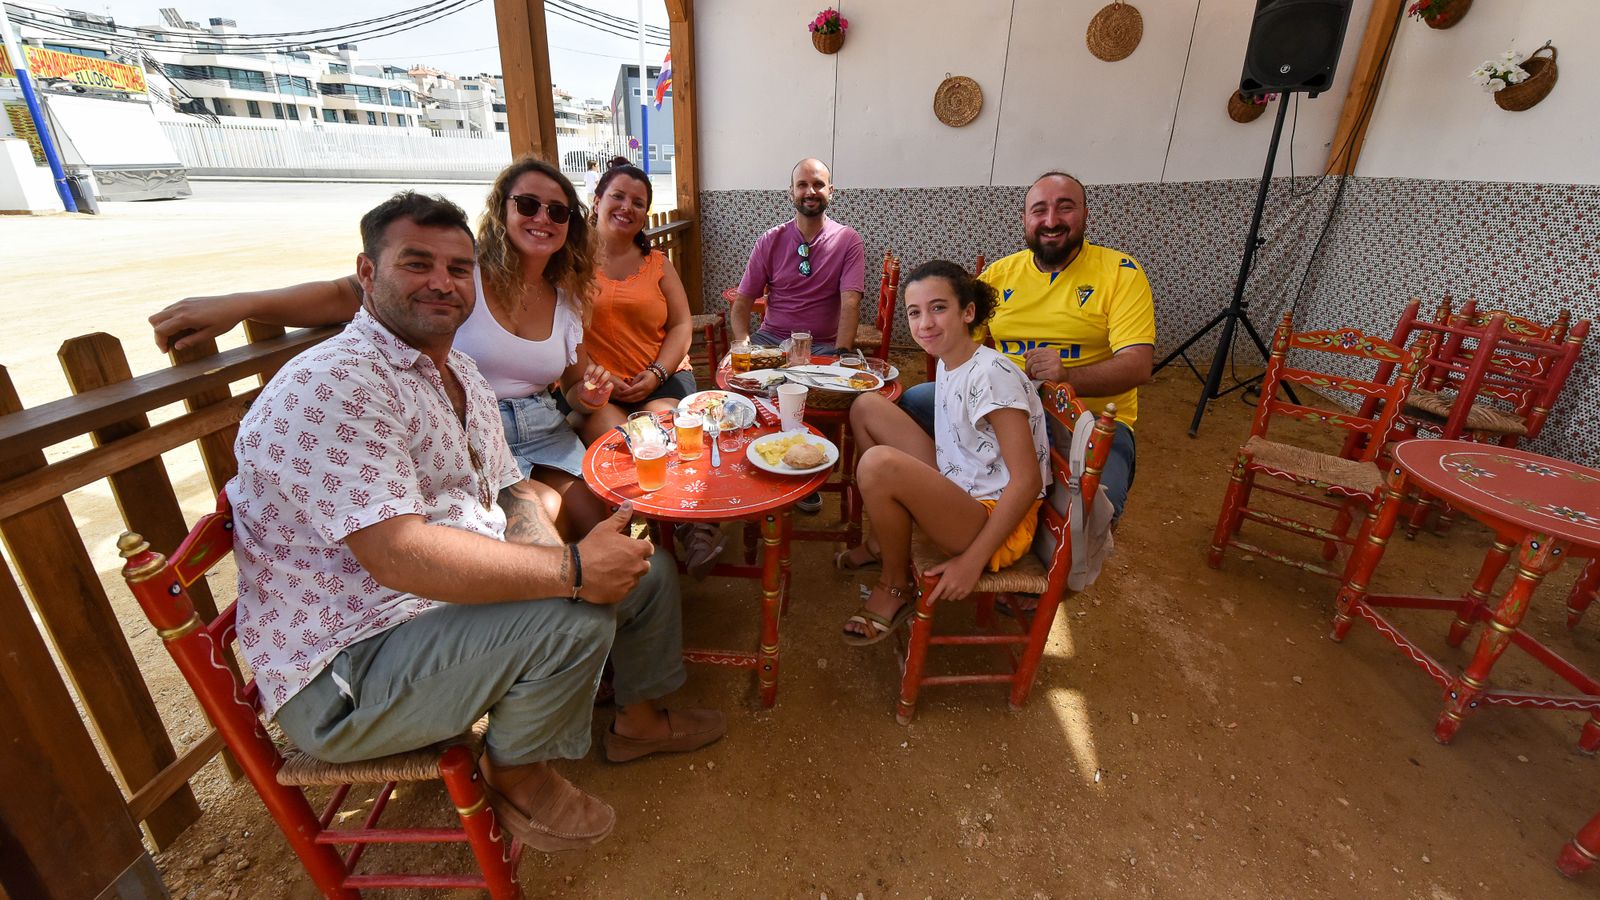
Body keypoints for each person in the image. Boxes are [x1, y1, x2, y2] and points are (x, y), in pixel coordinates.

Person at [234, 192, 725, 853]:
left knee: (647, 567)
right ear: (367, 273)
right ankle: (517, 770)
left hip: (429, 608)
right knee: (573, 613)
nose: (441, 282)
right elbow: (398, 556)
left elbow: (508, 491)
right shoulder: (335, 384)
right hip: (350, 668)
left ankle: (638, 720)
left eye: (458, 268)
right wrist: (568, 574)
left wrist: (561, 569)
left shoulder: (456, 369)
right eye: (417, 263)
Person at [150, 157, 616, 538]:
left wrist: (587, 397)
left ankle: (601, 631)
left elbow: (573, 389)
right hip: (469, 432)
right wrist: (242, 304)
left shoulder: (566, 298)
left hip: (541, 426)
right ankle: (567, 619)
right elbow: (344, 293)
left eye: (558, 211)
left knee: (596, 512)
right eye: (529, 204)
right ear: (502, 210)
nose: (543, 219)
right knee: (547, 516)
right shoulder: (457, 275)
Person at [898, 171, 1152, 519]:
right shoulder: (1000, 275)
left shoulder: (1121, 273)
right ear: (1025, 218)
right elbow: (955, 339)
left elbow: (1138, 365)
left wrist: (1067, 376)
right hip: (1003, 410)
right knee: (913, 400)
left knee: (1094, 514)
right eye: (1039, 210)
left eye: (1065, 208)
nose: (1051, 221)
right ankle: (956, 494)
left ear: (1085, 214)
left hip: (1086, 421)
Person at [834, 260, 1049, 645]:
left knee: (878, 464)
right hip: (961, 481)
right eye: (915, 313)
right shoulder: (953, 362)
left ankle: (896, 586)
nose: (925, 324)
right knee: (866, 407)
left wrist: (973, 562)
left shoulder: (991, 375)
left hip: (993, 520)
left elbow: (1028, 480)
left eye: (938, 308)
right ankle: (887, 538)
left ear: (968, 312)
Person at [576, 158, 725, 576]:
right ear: (598, 200)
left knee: (663, 426)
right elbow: (563, 333)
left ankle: (690, 523)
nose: (627, 207)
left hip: (663, 379)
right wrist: (599, 379)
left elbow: (680, 323)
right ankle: (628, 539)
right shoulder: (570, 265)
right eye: (618, 196)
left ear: (645, 214)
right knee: (608, 434)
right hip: (599, 387)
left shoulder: (657, 263)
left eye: (638, 202)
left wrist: (657, 373)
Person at [727, 157, 866, 357]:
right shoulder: (769, 240)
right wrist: (743, 344)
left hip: (822, 346)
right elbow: (742, 302)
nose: (810, 192)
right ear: (791, 191)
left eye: (818, 184)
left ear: (831, 191)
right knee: (737, 382)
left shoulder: (848, 240)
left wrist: (841, 352)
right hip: (771, 342)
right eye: (802, 185)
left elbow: (851, 303)